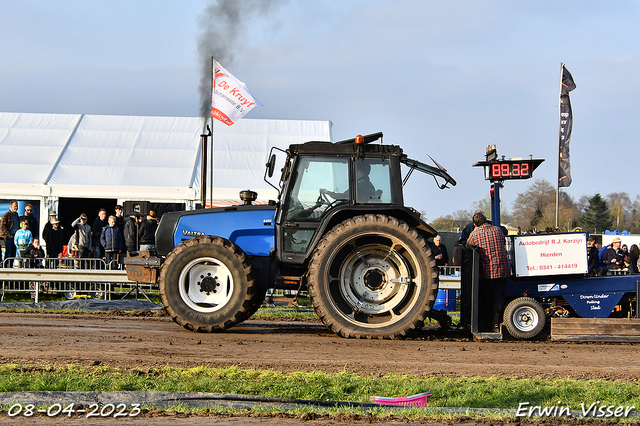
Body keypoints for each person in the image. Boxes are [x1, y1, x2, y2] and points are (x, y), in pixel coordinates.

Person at [466, 211, 510, 332]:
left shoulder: (474, 234)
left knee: (486, 299)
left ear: (475, 224)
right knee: (498, 297)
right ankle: (496, 324)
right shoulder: (497, 230)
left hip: (486, 272)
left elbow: (468, 246)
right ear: (486, 219)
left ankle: (485, 324)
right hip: (502, 270)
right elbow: (503, 243)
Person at [0, 200, 20, 267]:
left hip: (16, 236)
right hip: (9, 236)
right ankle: (6, 267)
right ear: (10, 206)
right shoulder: (6, 215)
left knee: (13, 252)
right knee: (8, 252)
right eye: (15, 206)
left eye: (17, 206)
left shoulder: (17, 215)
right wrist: (9, 235)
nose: (16, 208)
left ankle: (11, 266)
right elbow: (3, 226)